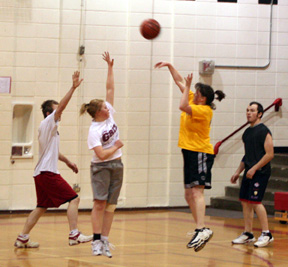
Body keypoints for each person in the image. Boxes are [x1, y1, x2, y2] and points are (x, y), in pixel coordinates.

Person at [14, 71, 92, 248]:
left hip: (40, 173)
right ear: (49, 113)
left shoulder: (50, 129)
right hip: (47, 173)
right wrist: (73, 88)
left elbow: (53, 152)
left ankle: (22, 238)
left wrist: (68, 162)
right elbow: (62, 107)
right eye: (57, 110)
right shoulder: (49, 122)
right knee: (74, 199)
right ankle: (74, 234)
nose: (61, 112)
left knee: (41, 206)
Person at [154, 62, 225, 252]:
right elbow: (178, 81)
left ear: (203, 98)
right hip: (188, 151)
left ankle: (201, 228)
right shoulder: (195, 101)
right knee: (188, 194)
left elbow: (182, 105)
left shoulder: (204, 110)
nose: (194, 92)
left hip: (200, 152)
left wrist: (186, 88)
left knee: (197, 192)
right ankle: (200, 229)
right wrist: (170, 65)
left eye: (197, 92)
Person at [80, 52, 124, 258]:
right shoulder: (94, 131)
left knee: (112, 206)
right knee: (99, 203)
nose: (108, 107)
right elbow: (102, 155)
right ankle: (96, 241)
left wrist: (110, 67)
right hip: (101, 167)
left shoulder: (109, 117)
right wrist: (116, 146)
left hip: (117, 165)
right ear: (98, 112)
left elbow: (110, 89)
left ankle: (105, 240)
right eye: (105, 107)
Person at [231, 101, 274, 248]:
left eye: (252, 110)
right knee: (245, 201)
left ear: (260, 114)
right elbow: (247, 155)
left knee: (256, 202)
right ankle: (248, 233)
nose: (249, 113)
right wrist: (238, 171)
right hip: (249, 172)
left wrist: (254, 168)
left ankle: (267, 234)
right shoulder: (247, 132)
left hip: (260, 172)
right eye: (247, 110)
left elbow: (269, 154)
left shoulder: (264, 131)